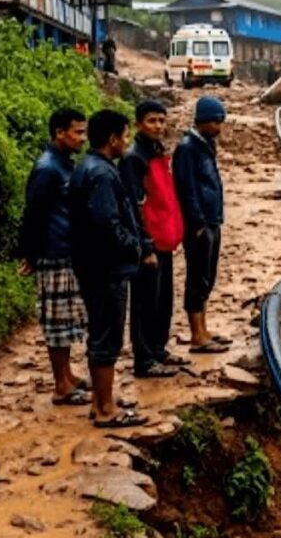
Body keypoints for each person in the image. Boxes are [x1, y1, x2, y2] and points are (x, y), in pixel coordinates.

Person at [69, 109, 147, 428]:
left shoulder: (86, 167)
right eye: (125, 135)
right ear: (113, 139)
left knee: (100, 333)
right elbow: (106, 223)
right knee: (108, 336)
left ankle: (100, 400)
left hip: (90, 264)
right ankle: (105, 409)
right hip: (106, 269)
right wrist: (132, 244)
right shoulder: (102, 175)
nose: (127, 142)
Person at [16, 108, 91, 406]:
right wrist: (31, 254)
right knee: (57, 323)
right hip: (54, 252)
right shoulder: (48, 169)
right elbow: (34, 214)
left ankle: (68, 375)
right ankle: (61, 384)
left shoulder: (64, 164)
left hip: (66, 250)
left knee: (66, 318)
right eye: (77, 132)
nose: (82, 139)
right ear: (59, 133)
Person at [119, 100, 190, 378]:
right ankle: (144, 359)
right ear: (138, 124)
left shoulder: (157, 152)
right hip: (148, 243)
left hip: (164, 241)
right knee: (145, 302)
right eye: (152, 121)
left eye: (161, 120)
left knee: (162, 300)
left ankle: (158, 350)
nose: (158, 126)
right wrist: (144, 245)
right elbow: (133, 206)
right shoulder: (134, 158)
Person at [173, 96, 231, 354]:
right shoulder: (187, 148)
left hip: (211, 220)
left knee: (207, 277)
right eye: (216, 122)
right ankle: (197, 335)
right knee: (197, 278)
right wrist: (196, 223)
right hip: (200, 224)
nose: (219, 127)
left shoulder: (205, 145)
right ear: (203, 121)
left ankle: (204, 330)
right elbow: (186, 189)